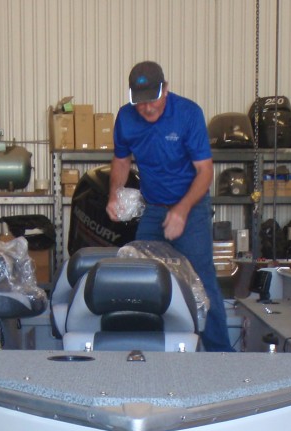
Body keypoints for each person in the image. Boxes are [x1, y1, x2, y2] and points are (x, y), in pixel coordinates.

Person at [106, 61, 234, 352]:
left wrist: (181, 210)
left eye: (152, 100)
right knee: (142, 276)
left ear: (166, 89)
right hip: (153, 208)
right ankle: (149, 349)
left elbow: (205, 171)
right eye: (140, 102)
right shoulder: (126, 118)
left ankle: (221, 355)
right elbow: (122, 160)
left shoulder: (188, 114)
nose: (147, 109)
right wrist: (115, 194)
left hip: (192, 206)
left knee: (201, 279)